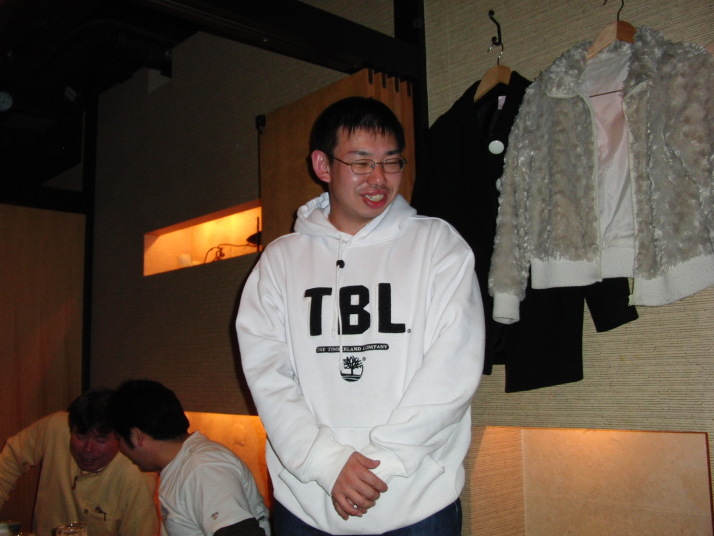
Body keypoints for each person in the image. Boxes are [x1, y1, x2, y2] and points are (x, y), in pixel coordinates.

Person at [235, 96, 485, 535]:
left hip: (416, 498)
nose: (379, 178)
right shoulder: (280, 260)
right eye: (361, 162)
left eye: (391, 162)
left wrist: (380, 466)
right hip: (306, 502)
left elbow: (453, 369)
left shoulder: (437, 245)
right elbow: (267, 374)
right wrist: (326, 462)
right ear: (323, 165)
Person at [106, 379, 270, 536]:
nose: (120, 448)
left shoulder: (203, 468)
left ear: (137, 436)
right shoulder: (183, 465)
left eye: (119, 439)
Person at [0, 387, 160, 536]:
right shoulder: (56, 428)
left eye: (100, 439)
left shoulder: (138, 476)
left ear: (120, 438)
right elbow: (11, 459)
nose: (88, 448)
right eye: (80, 436)